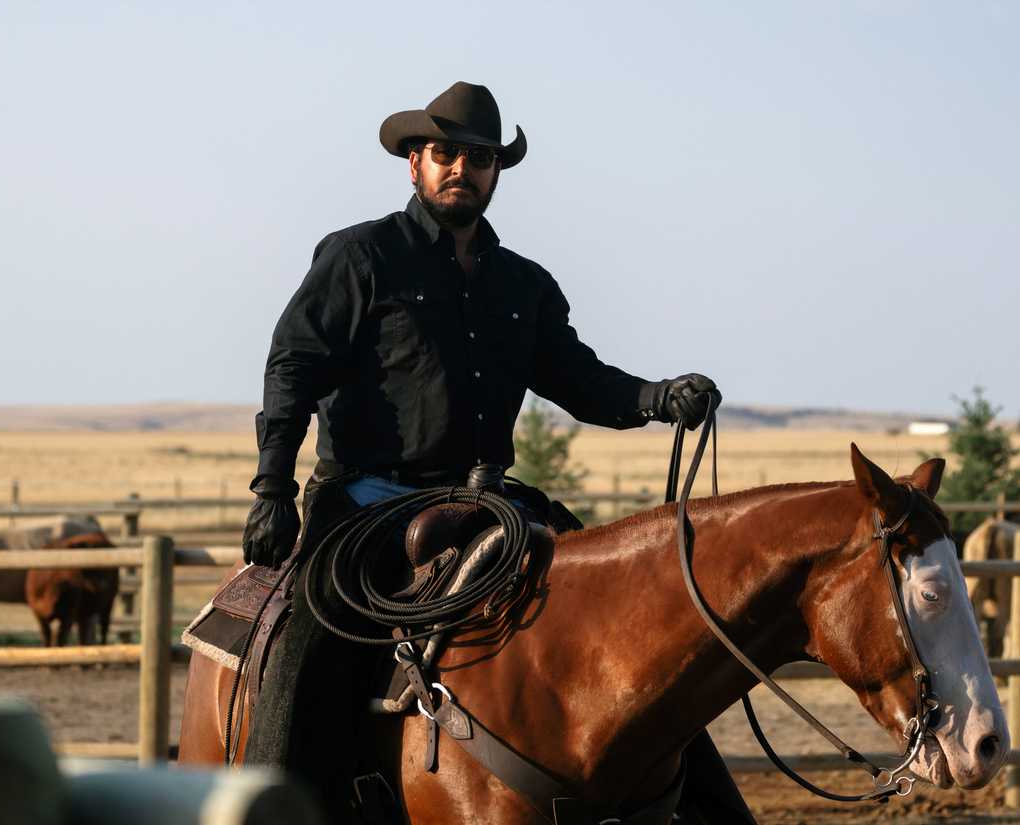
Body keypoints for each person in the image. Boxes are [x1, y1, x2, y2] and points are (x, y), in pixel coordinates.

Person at [241, 81, 749, 822]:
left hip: (487, 503)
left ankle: (706, 812)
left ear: (495, 172)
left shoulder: (524, 285)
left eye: (478, 158)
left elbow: (579, 378)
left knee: (627, 617)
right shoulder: (361, 257)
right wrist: (272, 490)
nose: (461, 169)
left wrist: (656, 396)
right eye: (444, 153)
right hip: (366, 502)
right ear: (415, 163)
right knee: (310, 644)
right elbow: (293, 365)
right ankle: (269, 804)